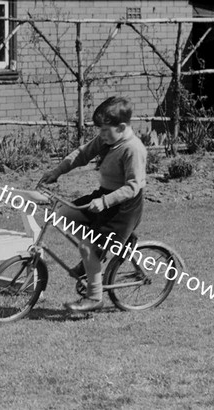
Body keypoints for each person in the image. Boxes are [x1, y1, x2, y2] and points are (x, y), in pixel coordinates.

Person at [39, 96, 147, 313]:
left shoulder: (133, 149)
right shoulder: (108, 140)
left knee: (87, 246)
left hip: (122, 207)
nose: (101, 134)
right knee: (63, 216)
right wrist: (56, 172)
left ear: (122, 127)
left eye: (105, 130)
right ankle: (94, 259)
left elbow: (134, 186)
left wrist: (105, 201)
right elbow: (82, 154)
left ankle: (94, 297)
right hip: (103, 197)